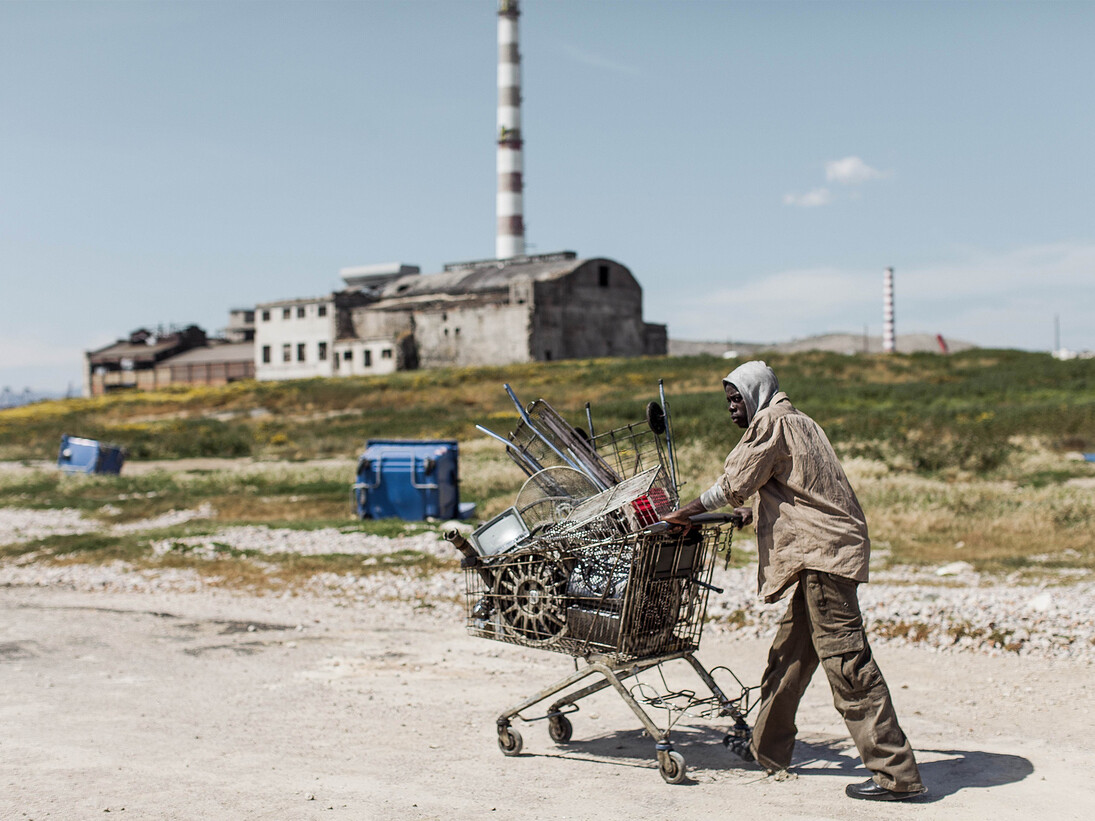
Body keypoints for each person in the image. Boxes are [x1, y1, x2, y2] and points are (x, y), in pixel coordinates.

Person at [662, 361, 926, 802]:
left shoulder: (771, 422)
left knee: (848, 663)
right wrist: (753, 509)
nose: (731, 408)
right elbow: (795, 488)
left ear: (756, 394)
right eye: (727, 400)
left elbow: (733, 482)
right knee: (789, 655)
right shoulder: (801, 421)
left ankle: (895, 774)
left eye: (735, 398)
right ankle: (767, 750)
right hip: (824, 553)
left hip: (822, 557)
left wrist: (681, 513)